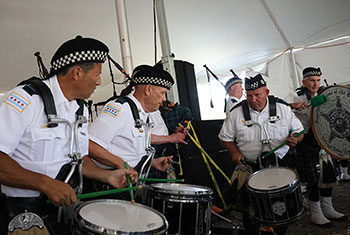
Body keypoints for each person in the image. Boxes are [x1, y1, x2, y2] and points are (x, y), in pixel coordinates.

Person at [0, 35, 134, 234]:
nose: (99, 82)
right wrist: (45, 184)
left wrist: (107, 176)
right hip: (21, 212)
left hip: (62, 210)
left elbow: (78, 159)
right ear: (77, 73)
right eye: (97, 75)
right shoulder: (25, 99)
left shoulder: (80, 108)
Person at [218, 74, 304, 235]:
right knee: (249, 211)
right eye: (249, 95)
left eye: (257, 94)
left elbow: (299, 131)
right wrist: (234, 152)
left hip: (280, 165)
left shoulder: (283, 108)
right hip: (250, 167)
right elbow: (225, 137)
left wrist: (296, 140)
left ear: (266, 92)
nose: (253, 99)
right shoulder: (236, 112)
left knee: (280, 208)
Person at [88, 65, 175, 187]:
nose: (164, 99)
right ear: (148, 89)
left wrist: (153, 162)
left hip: (130, 184)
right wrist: (122, 165)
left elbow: (127, 150)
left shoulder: (143, 114)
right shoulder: (119, 108)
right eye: (162, 93)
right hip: (110, 186)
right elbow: (90, 144)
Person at [285, 67, 345, 226]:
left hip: (325, 141)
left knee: (327, 176)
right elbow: (282, 108)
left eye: (318, 80)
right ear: (304, 81)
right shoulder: (294, 96)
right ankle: (315, 213)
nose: (315, 84)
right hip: (305, 142)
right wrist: (294, 105)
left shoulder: (325, 94)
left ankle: (328, 208)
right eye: (312, 80)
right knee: (313, 181)